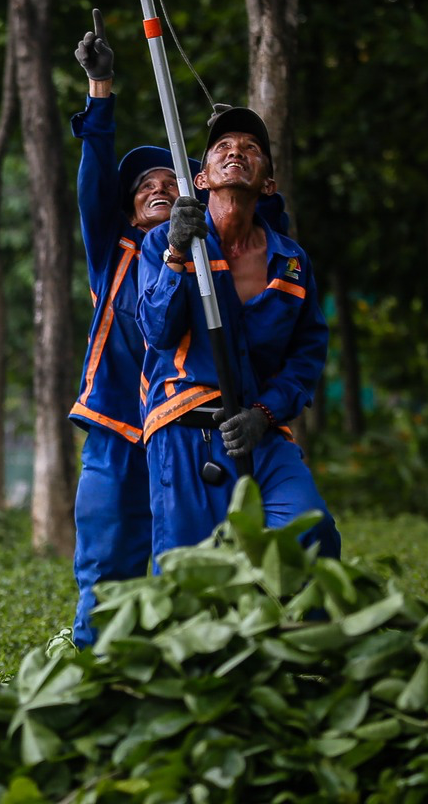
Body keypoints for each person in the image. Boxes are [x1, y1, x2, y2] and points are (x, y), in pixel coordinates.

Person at [135, 105, 341, 560]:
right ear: (202, 178)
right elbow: (157, 332)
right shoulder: (164, 243)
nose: (236, 152)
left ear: (267, 183)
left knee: (312, 534)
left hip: (262, 432)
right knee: (185, 576)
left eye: (251, 149)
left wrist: (264, 414)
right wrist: (175, 252)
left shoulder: (292, 261)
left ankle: (298, 631)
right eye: (223, 147)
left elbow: (307, 357)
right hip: (183, 430)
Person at [66, 20, 191, 646]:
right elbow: (94, 173)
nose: (160, 190)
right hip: (117, 426)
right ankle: (93, 673)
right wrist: (100, 87)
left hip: (188, 431)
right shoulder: (111, 249)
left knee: (189, 572)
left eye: (172, 184)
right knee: (106, 565)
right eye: (146, 186)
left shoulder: (203, 260)